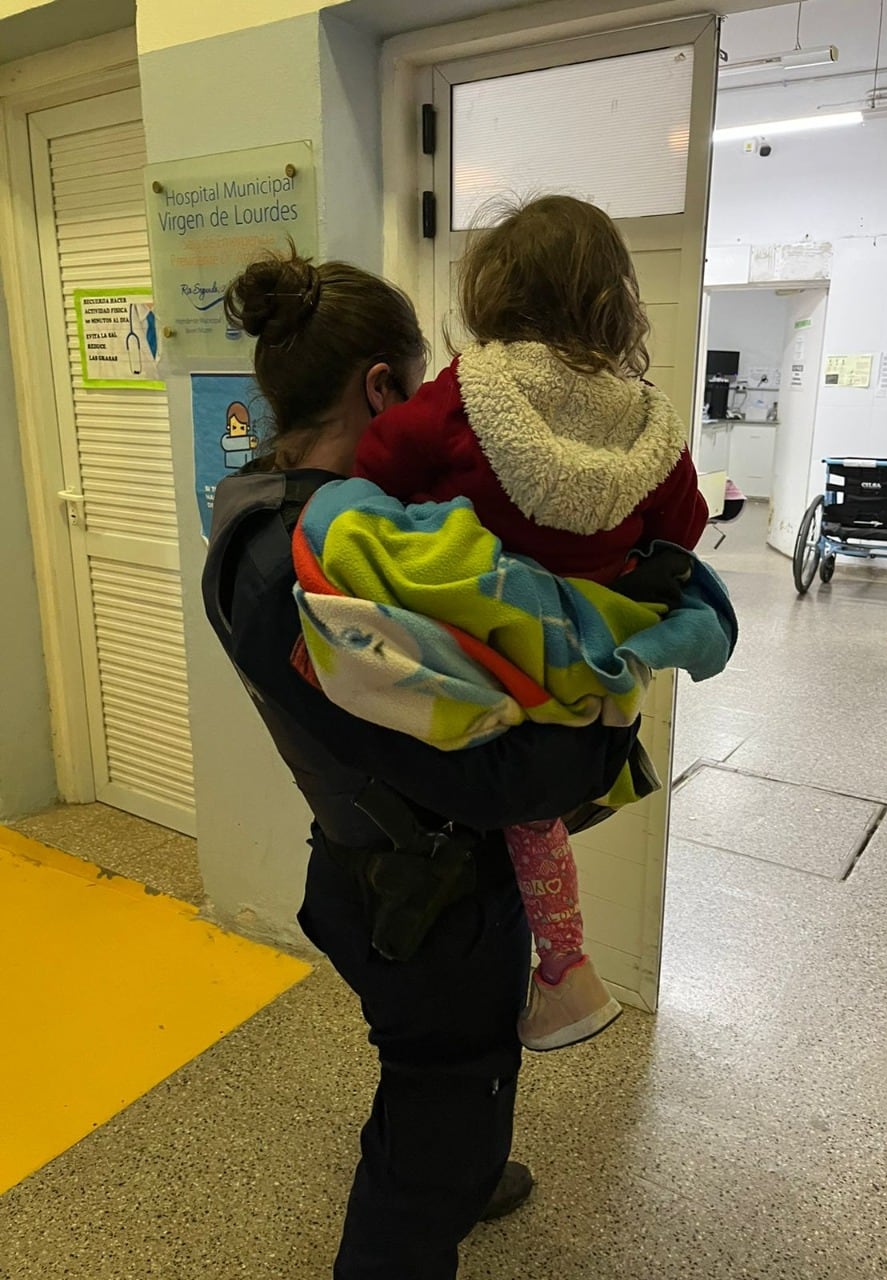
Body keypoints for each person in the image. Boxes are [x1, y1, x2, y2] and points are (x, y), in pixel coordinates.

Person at [201, 251, 646, 1280]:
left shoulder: (261, 500)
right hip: (420, 893)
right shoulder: (303, 562)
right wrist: (605, 724)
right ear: (380, 388)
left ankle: (468, 1153)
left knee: (443, 1072)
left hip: (376, 861)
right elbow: (480, 775)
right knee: (435, 1111)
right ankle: (445, 1174)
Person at [342, 196, 708, 1052]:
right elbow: (682, 529)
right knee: (535, 811)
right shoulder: (648, 419)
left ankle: (545, 971)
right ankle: (565, 961)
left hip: (476, 644)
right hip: (578, 661)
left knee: (469, 794)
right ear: (613, 299)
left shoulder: (468, 392)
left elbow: (376, 464)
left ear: (493, 290)